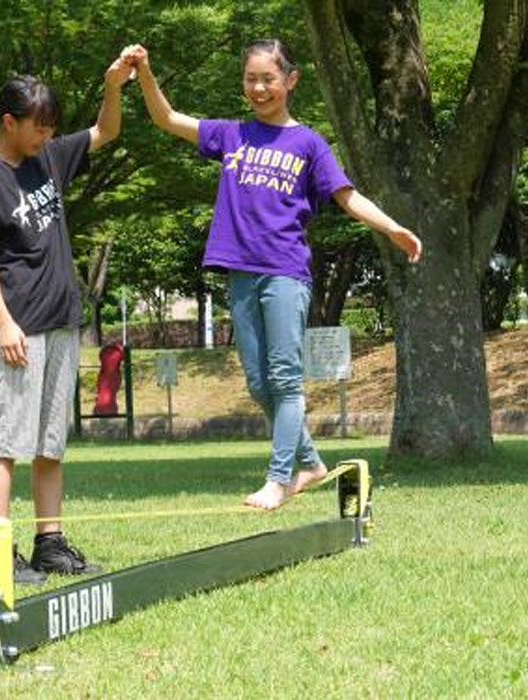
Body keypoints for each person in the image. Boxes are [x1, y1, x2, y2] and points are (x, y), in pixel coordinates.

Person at [121, 40, 422, 510]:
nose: (259, 88)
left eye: (268, 79)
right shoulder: (232, 135)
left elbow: (347, 196)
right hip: (241, 273)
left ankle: (279, 479)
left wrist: (393, 227)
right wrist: (144, 73)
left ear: (290, 80)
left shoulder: (308, 143)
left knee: (283, 379)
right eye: (251, 79)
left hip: (285, 273)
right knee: (259, 385)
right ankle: (311, 464)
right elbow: (168, 118)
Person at [0, 59, 133, 584]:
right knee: (6, 443)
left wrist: (110, 85)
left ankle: (50, 544)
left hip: (60, 322)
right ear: (9, 121)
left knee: (49, 444)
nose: (47, 133)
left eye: (52, 125)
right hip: (20, 328)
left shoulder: (51, 158)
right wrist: (4, 322)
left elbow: (108, 129)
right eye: (38, 124)